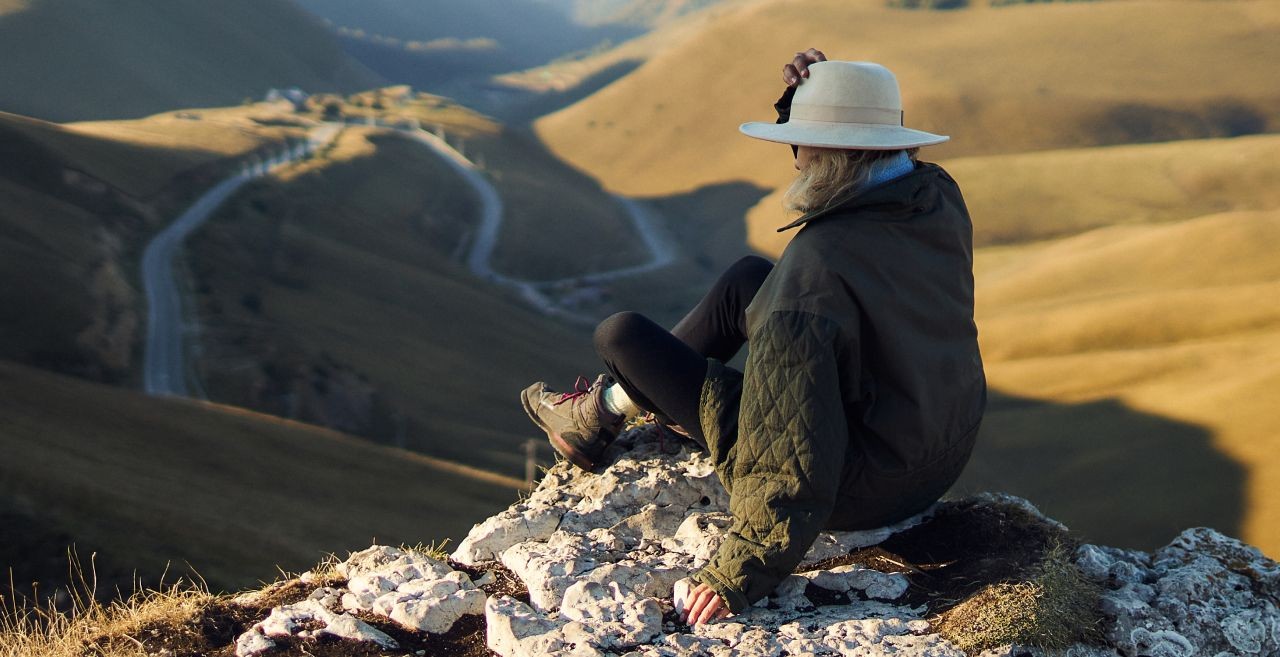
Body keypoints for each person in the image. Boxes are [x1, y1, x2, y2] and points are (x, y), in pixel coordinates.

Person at [521, 49, 987, 626]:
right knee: (748, 278)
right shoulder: (932, 197)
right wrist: (806, 102)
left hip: (862, 489)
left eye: (802, 145)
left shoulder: (815, 272)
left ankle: (603, 410)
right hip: (931, 453)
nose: (796, 162)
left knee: (622, 337)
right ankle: (600, 414)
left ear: (835, 155)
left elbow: (787, 456)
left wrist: (738, 573)